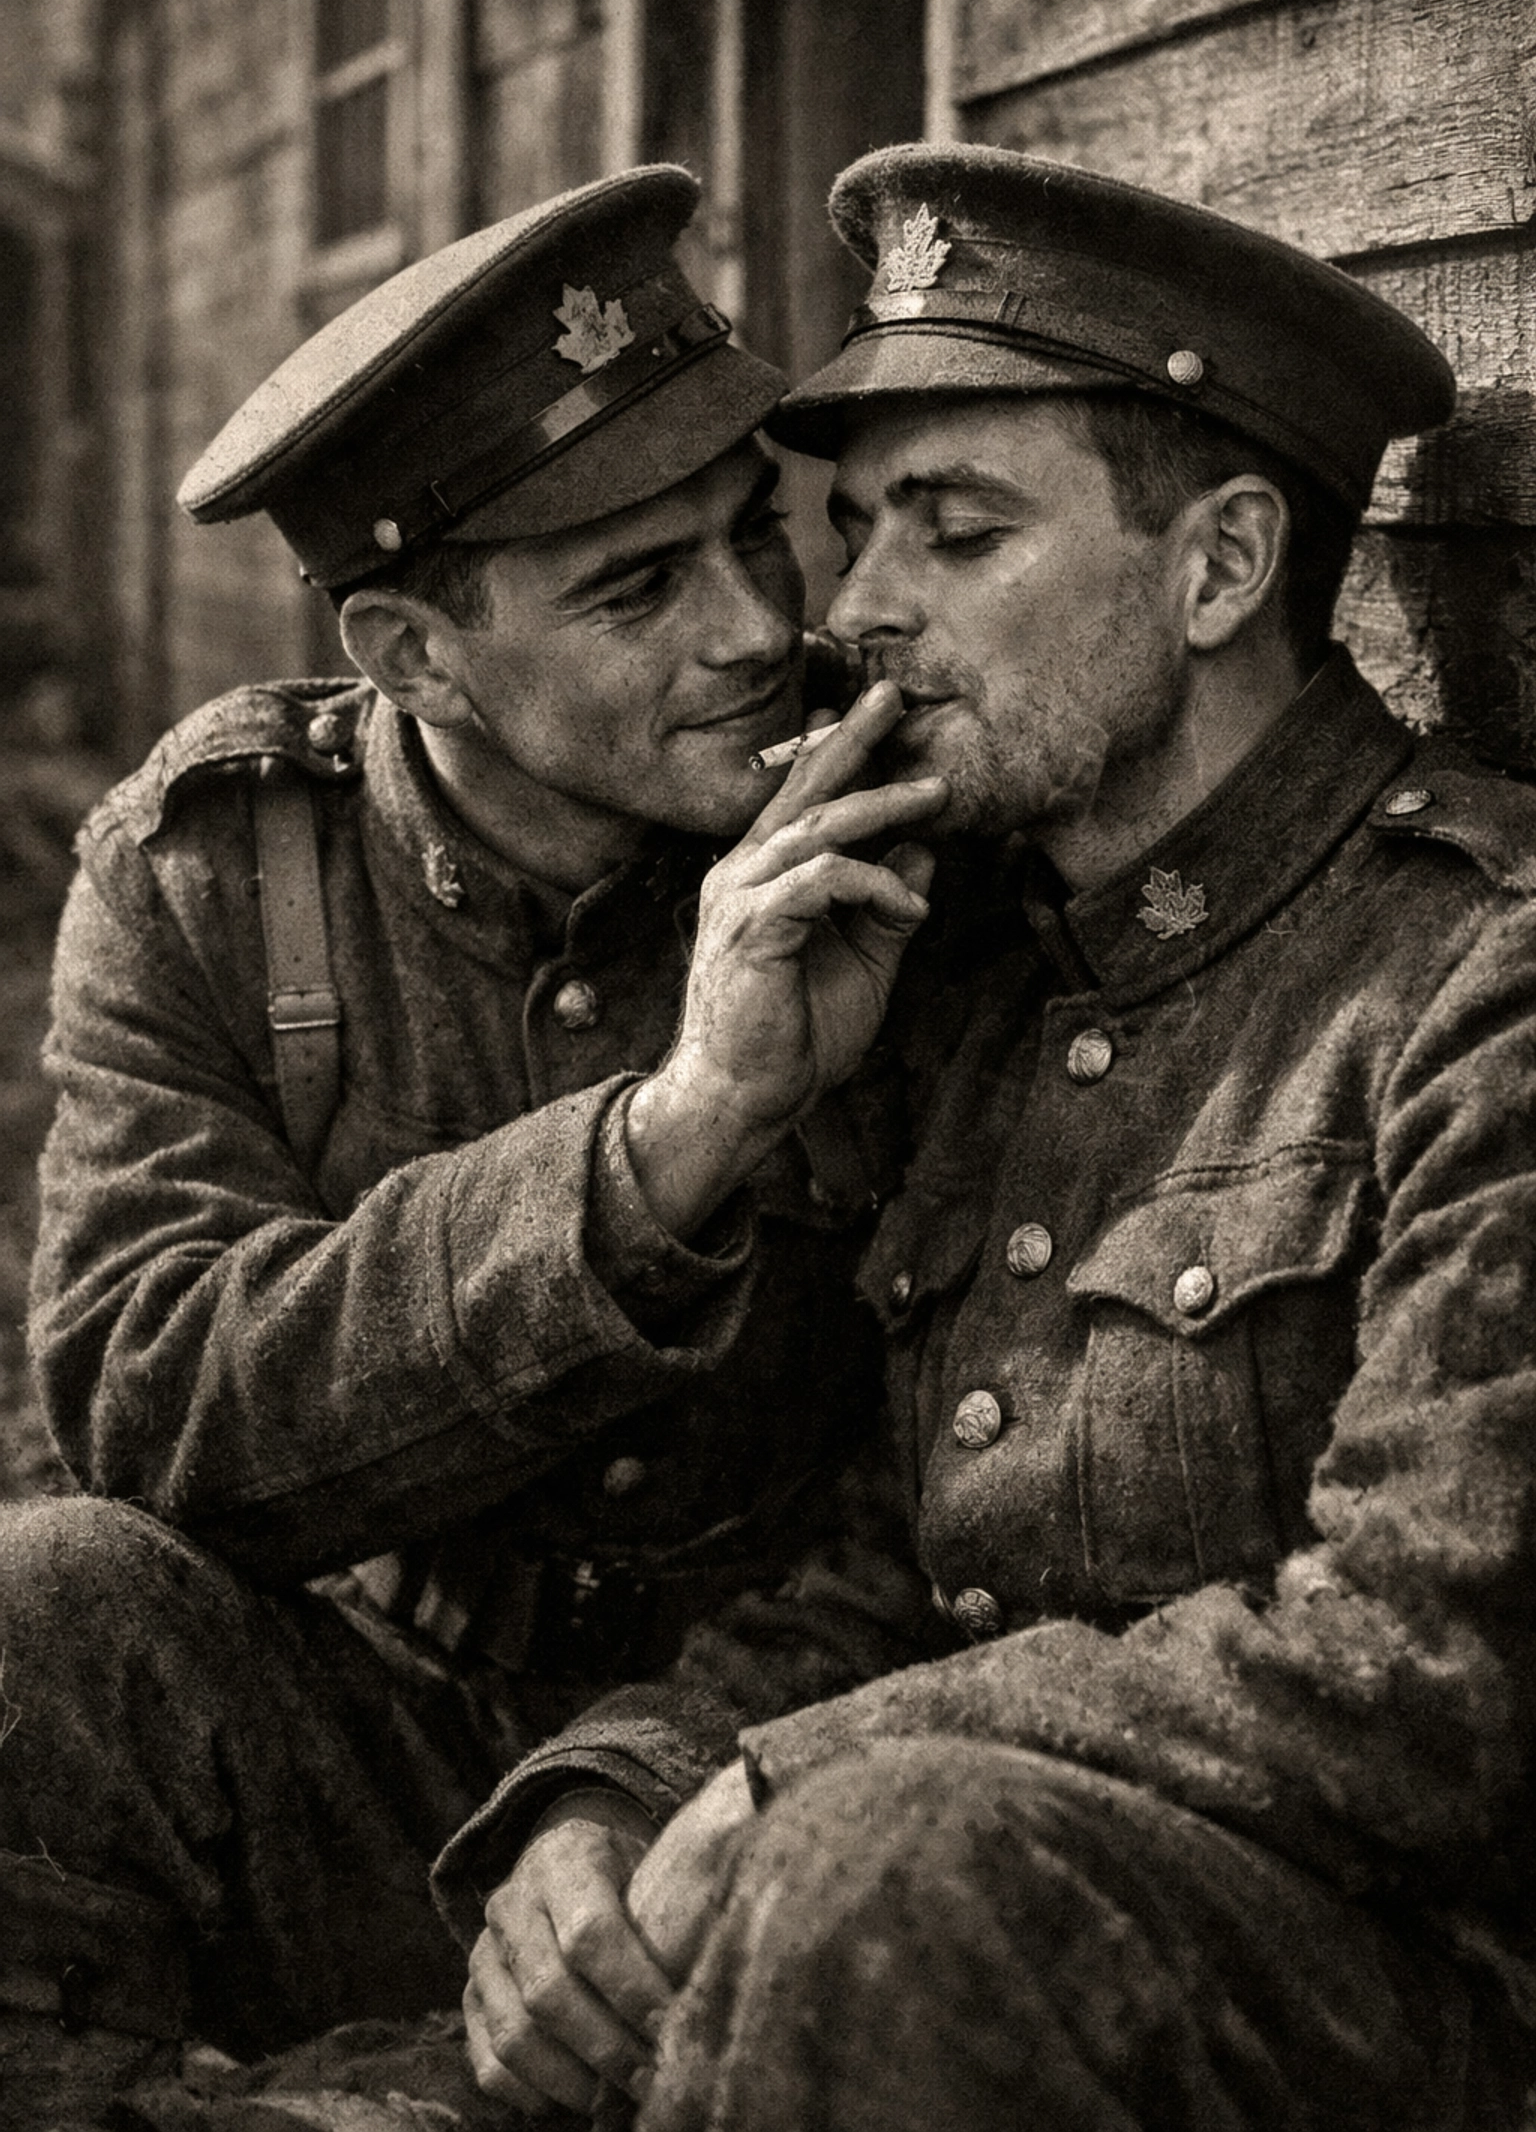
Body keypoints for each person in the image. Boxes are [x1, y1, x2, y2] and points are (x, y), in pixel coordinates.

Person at [445, 144, 1536, 2130]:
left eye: (952, 535)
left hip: (1400, 1998)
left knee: (882, 1872)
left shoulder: (1480, 981)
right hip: (973, 1937)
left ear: (1215, 571)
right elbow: (915, 1556)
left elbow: (1434, 1662)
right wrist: (636, 1786)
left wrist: (813, 1780)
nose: (849, 609)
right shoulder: (1005, 970)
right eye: (854, 528)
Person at [0, 164, 947, 2123]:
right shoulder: (210, 879)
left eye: (753, 533)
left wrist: (646, 1773)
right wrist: (670, 1145)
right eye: (639, 586)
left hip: (759, 1764)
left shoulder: (923, 826)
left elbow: (976, 1471)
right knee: (44, 1609)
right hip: (367, 1737)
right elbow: (149, 1395)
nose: (761, 625)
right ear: (414, 658)